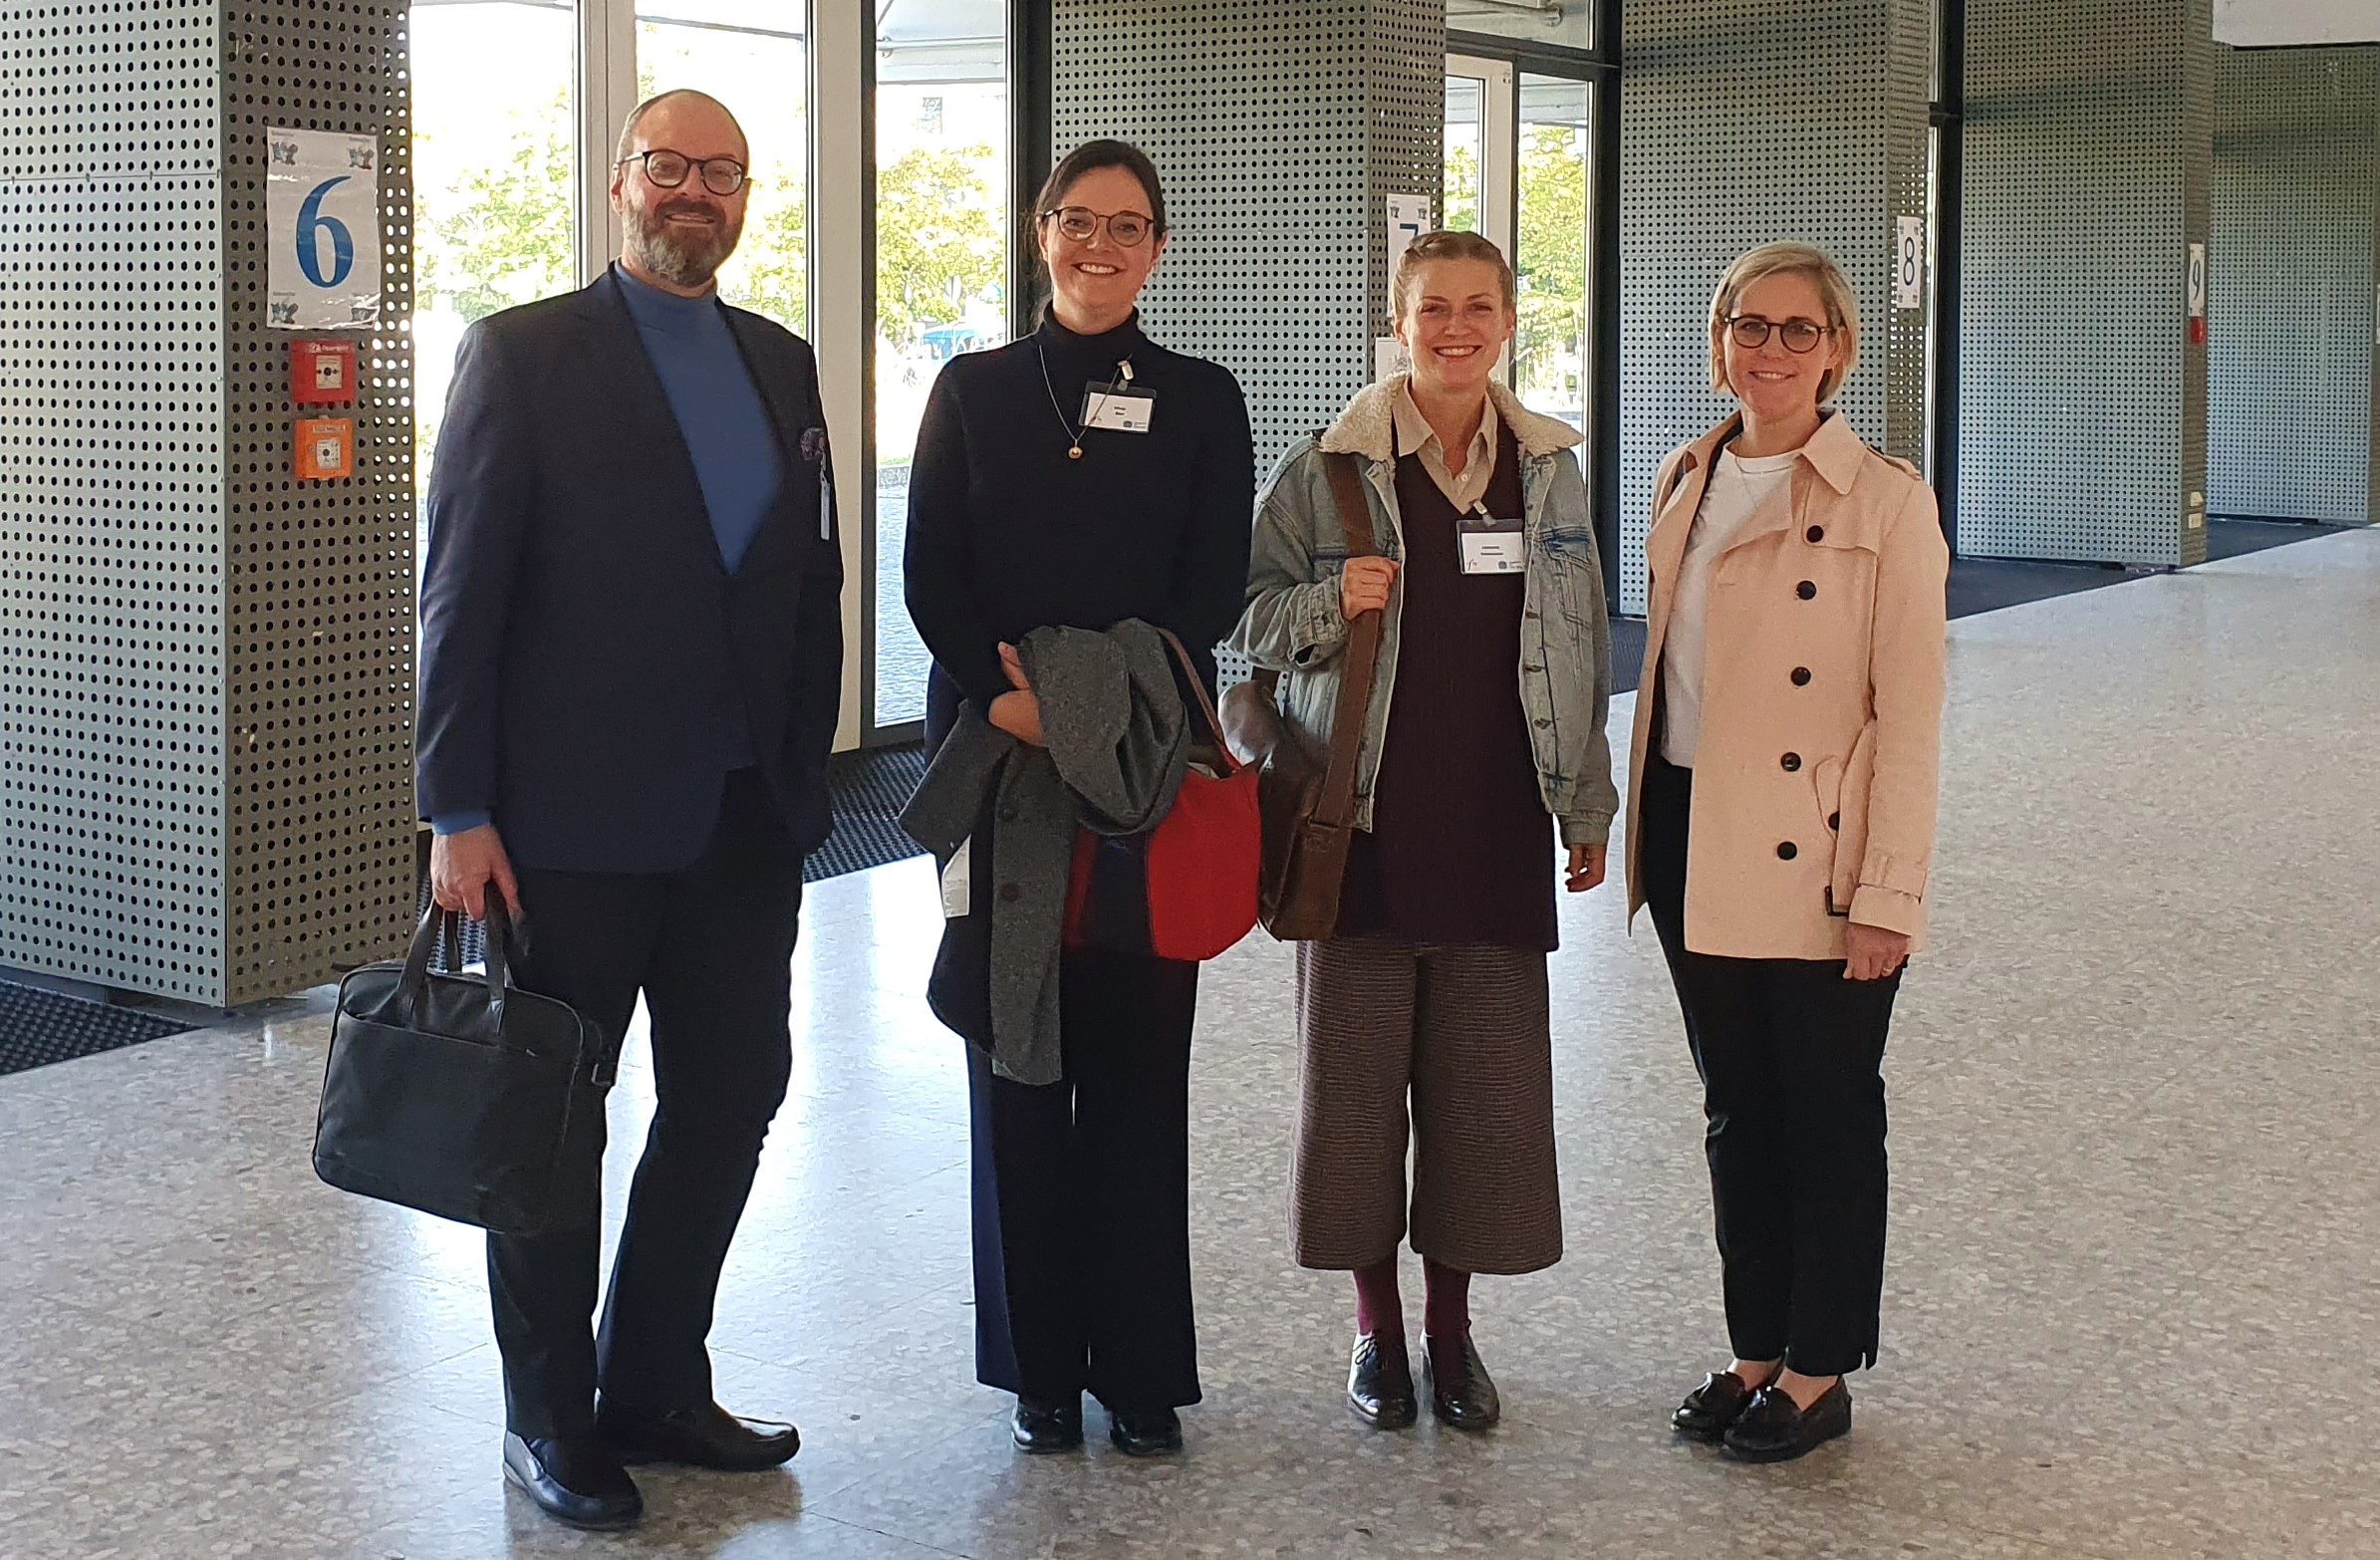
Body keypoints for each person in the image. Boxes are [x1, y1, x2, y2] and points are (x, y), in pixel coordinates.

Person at [417, 89, 843, 1529]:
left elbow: (809, 593)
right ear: (619, 185)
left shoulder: (782, 367)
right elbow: (461, 595)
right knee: (552, 1125)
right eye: (670, 167)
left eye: (722, 175)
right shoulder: (525, 354)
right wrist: (457, 804)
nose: (695, 194)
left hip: (738, 825)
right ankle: (547, 1420)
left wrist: (801, 779)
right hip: (565, 829)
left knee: (732, 1096)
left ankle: (653, 1380)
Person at [904, 139, 1254, 1458]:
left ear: (1156, 249)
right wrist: (1008, 706)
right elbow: (931, 573)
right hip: (998, 768)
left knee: (1136, 1068)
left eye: (1128, 226)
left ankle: (1141, 1370)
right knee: (1015, 1060)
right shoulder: (972, 390)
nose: (1100, 246)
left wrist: (1093, 713)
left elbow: (1206, 589)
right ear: (1041, 231)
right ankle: (1041, 1370)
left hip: (1144, 772)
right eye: (1078, 221)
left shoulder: (1202, 397)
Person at [1234, 229, 1616, 1434]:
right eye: (1431, 309)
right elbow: (1240, 621)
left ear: (1508, 318)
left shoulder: (1551, 469)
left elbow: (1582, 641)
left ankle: (1452, 1336)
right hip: (1362, 832)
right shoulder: (1329, 469)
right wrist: (1321, 604)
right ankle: (1375, 1336)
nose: (1455, 328)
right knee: (1351, 1103)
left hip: (1497, 825)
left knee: (1482, 1102)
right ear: (1395, 323)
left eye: (1478, 307)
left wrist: (1585, 800)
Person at [1628, 242, 1948, 1463]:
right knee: (1733, 1109)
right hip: (1691, 831)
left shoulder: (1885, 496)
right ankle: (1752, 1346)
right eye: (1747, 327)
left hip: (1816, 854)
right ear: (1718, 341)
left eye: (1795, 331)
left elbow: (1908, 714)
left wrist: (1888, 893)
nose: (1769, 351)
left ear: (1839, 349)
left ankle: (1818, 1368)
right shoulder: (1684, 474)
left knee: (1825, 1110)